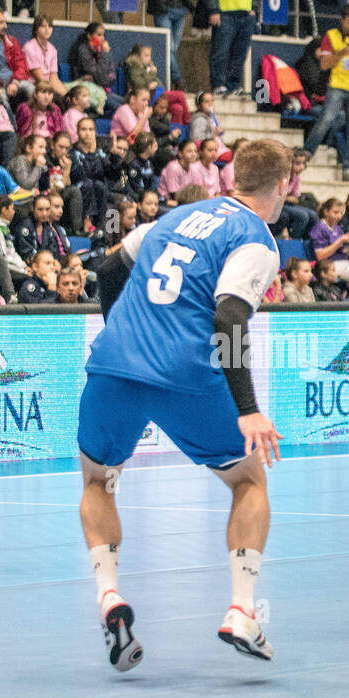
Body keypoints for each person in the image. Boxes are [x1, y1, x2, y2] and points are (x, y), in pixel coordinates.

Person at [77, 138, 292, 670]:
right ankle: (242, 608)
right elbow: (229, 317)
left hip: (115, 366)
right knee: (248, 481)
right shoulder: (256, 239)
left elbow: (107, 272)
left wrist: (126, 333)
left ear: (232, 176)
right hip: (188, 376)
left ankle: (110, 597)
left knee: (98, 481)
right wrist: (247, 407)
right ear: (284, 185)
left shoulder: (173, 218)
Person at [303, 4, 349, 180]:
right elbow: (324, 64)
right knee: (326, 118)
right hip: (337, 86)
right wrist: (342, 53)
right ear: (342, 20)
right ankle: (307, 151)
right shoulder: (331, 36)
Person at [308, 196, 349, 284]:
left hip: (345, 261)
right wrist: (340, 241)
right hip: (330, 265)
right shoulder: (319, 228)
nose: (339, 216)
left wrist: (348, 248)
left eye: (341, 213)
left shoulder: (337, 228)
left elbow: (340, 249)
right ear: (326, 212)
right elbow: (320, 256)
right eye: (335, 212)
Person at [0, 8, 30, 101]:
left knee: (31, 90)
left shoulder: (11, 42)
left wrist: (15, 82)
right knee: (1, 97)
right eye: (0, 23)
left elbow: (21, 65)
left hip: (13, 79)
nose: (5, 26)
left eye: (5, 22)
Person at [24, 14, 67, 97]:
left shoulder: (53, 49)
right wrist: (54, 92)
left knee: (69, 97)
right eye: (43, 26)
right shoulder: (29, 47)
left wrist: (66, 96)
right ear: (36, 29)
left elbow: (54, 77)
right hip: (34, 84)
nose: (47, 30)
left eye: (50, 26)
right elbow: (39, 78)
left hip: (49, 84)